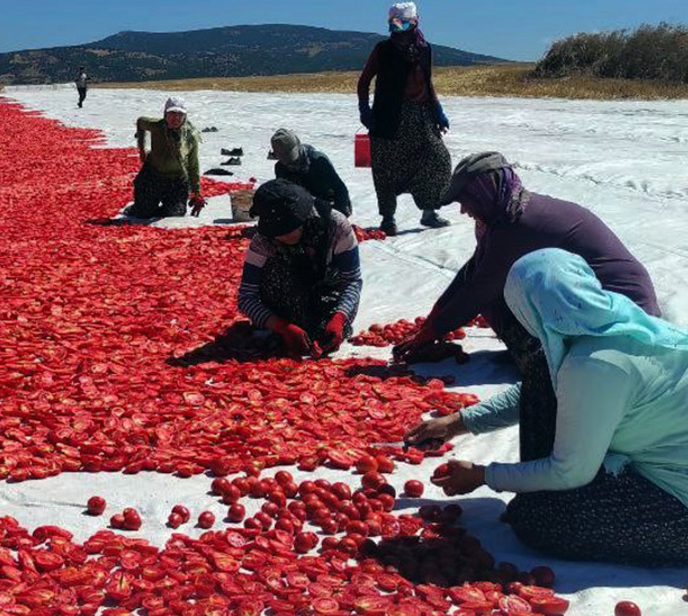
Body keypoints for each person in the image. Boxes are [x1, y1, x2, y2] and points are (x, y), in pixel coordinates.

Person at [408, 249, 688, 565]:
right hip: (664, 458)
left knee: (539, 522)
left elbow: (569, 472)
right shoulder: (618, 322)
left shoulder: (594, 366)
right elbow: (545, 391)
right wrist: (458, 422)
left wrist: (485, 475)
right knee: (542, 370)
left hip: (679, 505)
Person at [395, 152, 660, 462]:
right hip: (592, 302)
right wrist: (433, 321)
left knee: (499, 299)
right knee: (502, 293)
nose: (464, 210)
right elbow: (472, 272)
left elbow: (480, 288)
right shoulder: (507, 212)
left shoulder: (520, 223)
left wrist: (432, 332)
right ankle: (540, 355)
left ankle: (539, 361)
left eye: (466, 200)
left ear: (485, 190)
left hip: (620, 312)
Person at [236, 179, 362, 357]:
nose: (283, 235)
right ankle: (286, 327)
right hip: (283, 300)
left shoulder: (336, 226)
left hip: (325, 292)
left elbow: (352, 281)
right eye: (277, 232)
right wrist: (282, 327)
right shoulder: (263, 240)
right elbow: (246, 297)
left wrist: (339, 318)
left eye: (289, 228)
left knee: (324, 335)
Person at [357, 1, 452, 235]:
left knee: (438, 159)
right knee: (385, 168)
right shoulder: (383, 50)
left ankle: (429, 212)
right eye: (394, 24)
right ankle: (388, 218)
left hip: (421, 117)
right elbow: (364, 81)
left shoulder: (424, 49)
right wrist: (364, 109)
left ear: (415, 23)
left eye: (403, 23)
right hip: (389, 119)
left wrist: (437, 110)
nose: (398, 29)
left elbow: (427, 80)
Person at [127, 97, 204, 218]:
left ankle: (159, 206)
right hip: (152, 176)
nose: (176, 118)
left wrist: (196, 191)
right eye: (172, 113)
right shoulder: (156, 126)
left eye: (180, 114)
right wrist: (141, 149)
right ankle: (141, 206)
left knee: (175, 213)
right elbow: (140, 122)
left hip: (176, 180)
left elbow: (193, 164)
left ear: (185, 116)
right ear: (165, 114)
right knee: (142, 213)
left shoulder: (191, 135)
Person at [269, 128, 352, 216]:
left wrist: (339, 213)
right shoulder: (280, 168)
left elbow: (340, 189)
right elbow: (284, 196)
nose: (289, 163)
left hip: (328, 203)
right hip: (303, 206)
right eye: (283, 158)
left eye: (290, 158)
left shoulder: (318, 161)